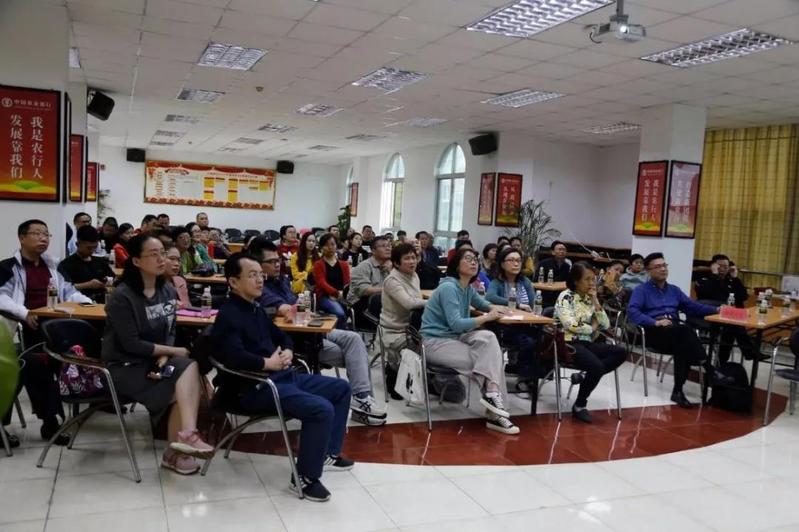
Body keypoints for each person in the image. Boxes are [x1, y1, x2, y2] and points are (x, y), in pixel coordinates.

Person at [212, 253, 354, 501]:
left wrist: (287, 351)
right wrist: (268, 363)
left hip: (281, 377)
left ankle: (328, 453)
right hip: (254, 386)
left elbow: (282, 336)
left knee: (341, 388)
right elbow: (232, 356)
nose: (260, 280)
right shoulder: (229, 314)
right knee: (320, 409)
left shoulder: (255, 308)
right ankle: (305, 477)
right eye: (252, 275)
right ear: (233, 282)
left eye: (261, 275)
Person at [103, 234, 213, 474]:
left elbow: (170, 330)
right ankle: (176, 452)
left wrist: (163, 357)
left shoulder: (167, 290)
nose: (162, 259)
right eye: (154, 254)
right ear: (136, 261)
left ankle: (185, 438)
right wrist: (171, 351)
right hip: (124, 367)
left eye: (163, 253)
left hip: (153, 362)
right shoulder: (122, 297)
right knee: (182, 385)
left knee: (188, 369)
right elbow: (131, 344)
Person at [250, 239, 386, 425]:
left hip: (311, 328)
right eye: (271, 261)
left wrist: (302, 309)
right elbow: (286, 308)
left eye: (278, 260)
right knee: (356, 353)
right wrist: (295, 308)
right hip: (299, 339)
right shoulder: (260, 287)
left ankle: (361, 399)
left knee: (355, 340)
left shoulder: (281, 280)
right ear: (257, 265)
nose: (277, 264)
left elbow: (297, 302)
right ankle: (362, 400)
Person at [0, 220, 92, 445]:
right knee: (33, 364)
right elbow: (2, 297)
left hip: (51, 329)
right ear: (22, 238)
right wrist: (25, 313)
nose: (43, 238)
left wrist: (88, 304)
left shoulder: (52, 266)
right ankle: (49, 421)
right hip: (21, 331)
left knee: (71, 355)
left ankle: (56, 418)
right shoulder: (8, 267)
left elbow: (68, 292)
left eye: (46, 234)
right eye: (37, 233)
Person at [421, 248, 518, 434]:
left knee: (489, 338)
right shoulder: (449, 288)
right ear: (456, 265)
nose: (474, 262)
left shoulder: (466, 287)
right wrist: (487, 317)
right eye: (468, 259)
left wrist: (498, 308)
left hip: (456, 338)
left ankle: (492, 396)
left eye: (475, 259)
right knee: (489, 361)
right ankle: (496, 415)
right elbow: (457, 324)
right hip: (435, 341)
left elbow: (483, 304)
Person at [628, 253, 731, 408]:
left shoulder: (674, 290)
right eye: (658, 266)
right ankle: (710, 370)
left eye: (664, 265)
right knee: (685, 333)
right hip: (654, 333)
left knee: (683, 344)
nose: (663, 269)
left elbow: (693, 307)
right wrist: (655, 322)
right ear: (648, 271)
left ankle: (678, 392)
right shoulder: (641, 290)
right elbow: (632, 312)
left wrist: (716, 310)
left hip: (675, 332)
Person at [555, 262, 627, 423]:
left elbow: (606, 324)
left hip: (587, 343)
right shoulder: (566, 296)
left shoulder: (589, 298)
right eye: (587, 279)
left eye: (593, 279)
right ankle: (580, 405)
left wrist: (595, 300)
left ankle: (585, 376)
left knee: (621, 352)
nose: (592, 283)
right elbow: (570, 324)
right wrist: (592, 328)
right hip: (568, 343)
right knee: (596, 366)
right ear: (575, 281)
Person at [485, 247, 540, 389]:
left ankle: (530, 376)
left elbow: (532, 304)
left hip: (525, 324)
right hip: (504, 327)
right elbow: (490, 297)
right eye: (511, 260)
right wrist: (516, 304)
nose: (516, 264)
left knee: (541, 339)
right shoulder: (497, 282)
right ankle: (523, 377)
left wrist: (522, 307)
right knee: (528, 342)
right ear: (502, 264)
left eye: (518, 260)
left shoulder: (525, 282)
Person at [380, 243, 427, 398]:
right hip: (394, 330)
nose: (412, 261)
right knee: (420, 347)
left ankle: (426, 379)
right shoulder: (392, 280)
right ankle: (393, 371)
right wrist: (433, 302)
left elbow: (417, 301)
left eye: (414, 257)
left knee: (433, 344)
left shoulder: (414, 276)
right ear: (396, 262)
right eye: (407, 258)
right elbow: (409, 303)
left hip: (413, 327)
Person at [695, 254, 755, 362]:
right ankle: (747, 352)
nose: (723, 269)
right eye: (720, 266)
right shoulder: (704, 278)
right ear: (713, 266)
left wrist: (735, 278)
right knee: (733, 324)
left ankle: (723, 362)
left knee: (732, 326)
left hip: (727, 317)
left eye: (726, 266)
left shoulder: (730, 280)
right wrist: (715, 276)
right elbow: (717, 295)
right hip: (708, 316)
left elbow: (743, 296)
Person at [58, 225, 114, 303]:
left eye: (95, 247)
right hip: (79, 302)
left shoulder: (100, 262)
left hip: (102, 301)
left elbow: (112, 278)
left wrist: (108, 281)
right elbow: (64, 289)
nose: (92, 250)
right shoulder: (66, 264)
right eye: (89, 248)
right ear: (77, 244)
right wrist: (88, 285)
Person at [347, 235, 392, 321]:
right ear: (373, 251)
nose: (388, 248)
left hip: (382, 304)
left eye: (389, 246)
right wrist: (391, 290)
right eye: (383, 246)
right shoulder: (363, 266)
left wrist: (391, 272)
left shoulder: (390, 266)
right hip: (361, 307)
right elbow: (365, 291)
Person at [312, 233, 350, 329]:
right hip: (325, 296)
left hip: (342, 296)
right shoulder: (318, 264)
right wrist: (335, 293)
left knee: (351, 311)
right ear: (321, 248)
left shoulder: (344, 264)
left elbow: (347, 282)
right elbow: (321, 283)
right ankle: (339, 335)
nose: (330, 247)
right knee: (340, 313)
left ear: (336, 246)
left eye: (332, 244)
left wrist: (342, 294)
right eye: (326, 245)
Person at [534, 240, 572, 308]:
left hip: (560, 296)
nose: (562, 252)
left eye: (564, 250)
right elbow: (536, 280)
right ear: (553, 252)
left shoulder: (567, 266)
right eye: (559, 249)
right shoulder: (544, 263)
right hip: (544, 295)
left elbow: (567, 282)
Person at [164, 245, 190, 309]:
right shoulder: (151, 285)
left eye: (179, 260)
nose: (177, 264)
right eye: (172, 259)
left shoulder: (180, 281)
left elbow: (187, 306)